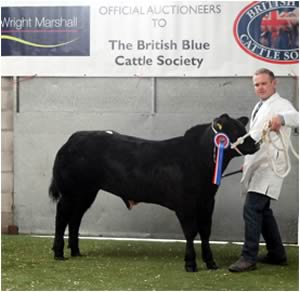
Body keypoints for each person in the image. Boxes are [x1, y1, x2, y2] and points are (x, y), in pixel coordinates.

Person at [229, 68, 299, 272]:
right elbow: (256, 135)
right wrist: (248, 161)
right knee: (263, 211)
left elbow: (297, 117)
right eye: (256, 84)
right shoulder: (260, 105)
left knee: (251, 209)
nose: (260, 87)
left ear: (274, 83)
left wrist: (282, 119)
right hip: (259, 164)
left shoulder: (281, 105)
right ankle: (277, 254)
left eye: (263, 83)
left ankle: (248, 257)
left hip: (271, 166)